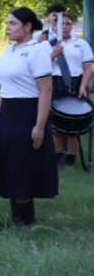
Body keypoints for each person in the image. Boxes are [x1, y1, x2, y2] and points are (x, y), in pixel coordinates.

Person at [0, 8, 56, 226]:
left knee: (23, 166)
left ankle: (25, 221)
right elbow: (4, 87)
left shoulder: (37, 51)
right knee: (10, 166)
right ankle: (17, 217)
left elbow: (46, 90)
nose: (7, 27)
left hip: (27, 113)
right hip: (7, 113)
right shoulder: (9, 49)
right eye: (7, 23)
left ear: (27, 26)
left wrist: (39, 125)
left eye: (12, 23)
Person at [48, 12, 93, 167]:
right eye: (61, 24)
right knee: (56, 126)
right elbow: (40, 67)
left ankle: (70, 160)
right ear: (54, 26)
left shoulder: (81, 44)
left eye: (68, 24)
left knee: (74, 126)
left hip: (76, 84)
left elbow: (89, 67)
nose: (65, 27)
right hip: (55, 84)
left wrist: (83, 86)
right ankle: (57, 157)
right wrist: (53, 54)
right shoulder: (47, 45)